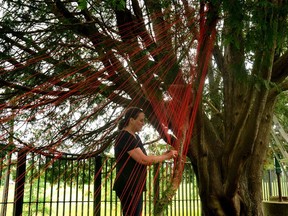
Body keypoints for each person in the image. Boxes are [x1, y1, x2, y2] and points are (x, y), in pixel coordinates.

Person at [113, 107, 178, 216]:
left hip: (135, 185)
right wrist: (167, 157)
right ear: (131, 120)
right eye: (141, 120)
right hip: (129, 185)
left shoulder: (135, 137)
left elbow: (145, 157)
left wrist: (163, 155)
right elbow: (144, 160)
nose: (143, 123)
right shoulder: (125, 136)